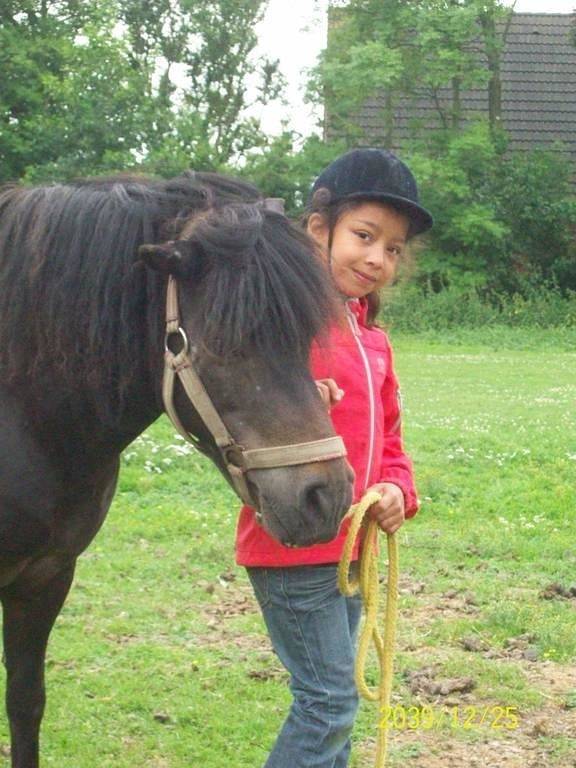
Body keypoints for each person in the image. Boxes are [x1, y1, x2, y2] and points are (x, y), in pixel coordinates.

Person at [235, 148, 433, 768]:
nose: (377, 258)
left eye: (393, 248)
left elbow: (390, 437)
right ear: (319, 229)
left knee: (337, 702)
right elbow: (247, 409)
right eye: (365, 236)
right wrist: (292, 393)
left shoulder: (372, 338)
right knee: (327, 702)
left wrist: (399, 488)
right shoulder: (282, 327)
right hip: (293, 546)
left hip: (353, 547)